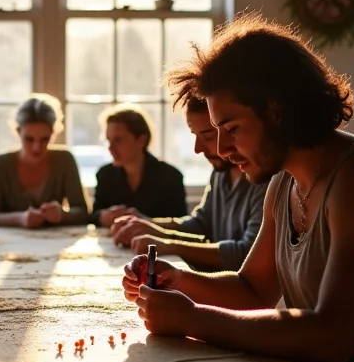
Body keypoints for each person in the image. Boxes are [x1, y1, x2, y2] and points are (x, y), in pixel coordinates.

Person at [122, 15, 354, 362]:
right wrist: (177, 279)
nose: (220, 149)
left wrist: (194, 320)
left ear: (275, 110)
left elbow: (331, 338)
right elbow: (254, 290)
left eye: (232, 128)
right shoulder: (284, 184)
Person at [112, 98, 266, 272]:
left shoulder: (265, 181)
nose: (197, 148)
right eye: (195, 135)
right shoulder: (220, 173)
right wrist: (149, 226)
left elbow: (246, 254)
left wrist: (168, 245)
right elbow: (201, 224)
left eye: (207, 136)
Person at [0, 94, 90, 227]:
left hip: (55, 243)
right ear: (18, 132)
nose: (36, 147)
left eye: (45, 139)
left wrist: (61, 214)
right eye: (29, 139)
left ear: (54, 133)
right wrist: (19, 219)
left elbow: (83, 213)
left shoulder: (64, 160)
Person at [92, 104, 186, 227]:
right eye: (108, 141)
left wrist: (145, 222)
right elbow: (93, 215)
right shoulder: (105, 174)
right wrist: (103, 216)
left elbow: (181, 225)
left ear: (141, 140)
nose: (110, 148)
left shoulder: (170, 176)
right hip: (114, 243)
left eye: (118, 140)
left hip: (154, 245)